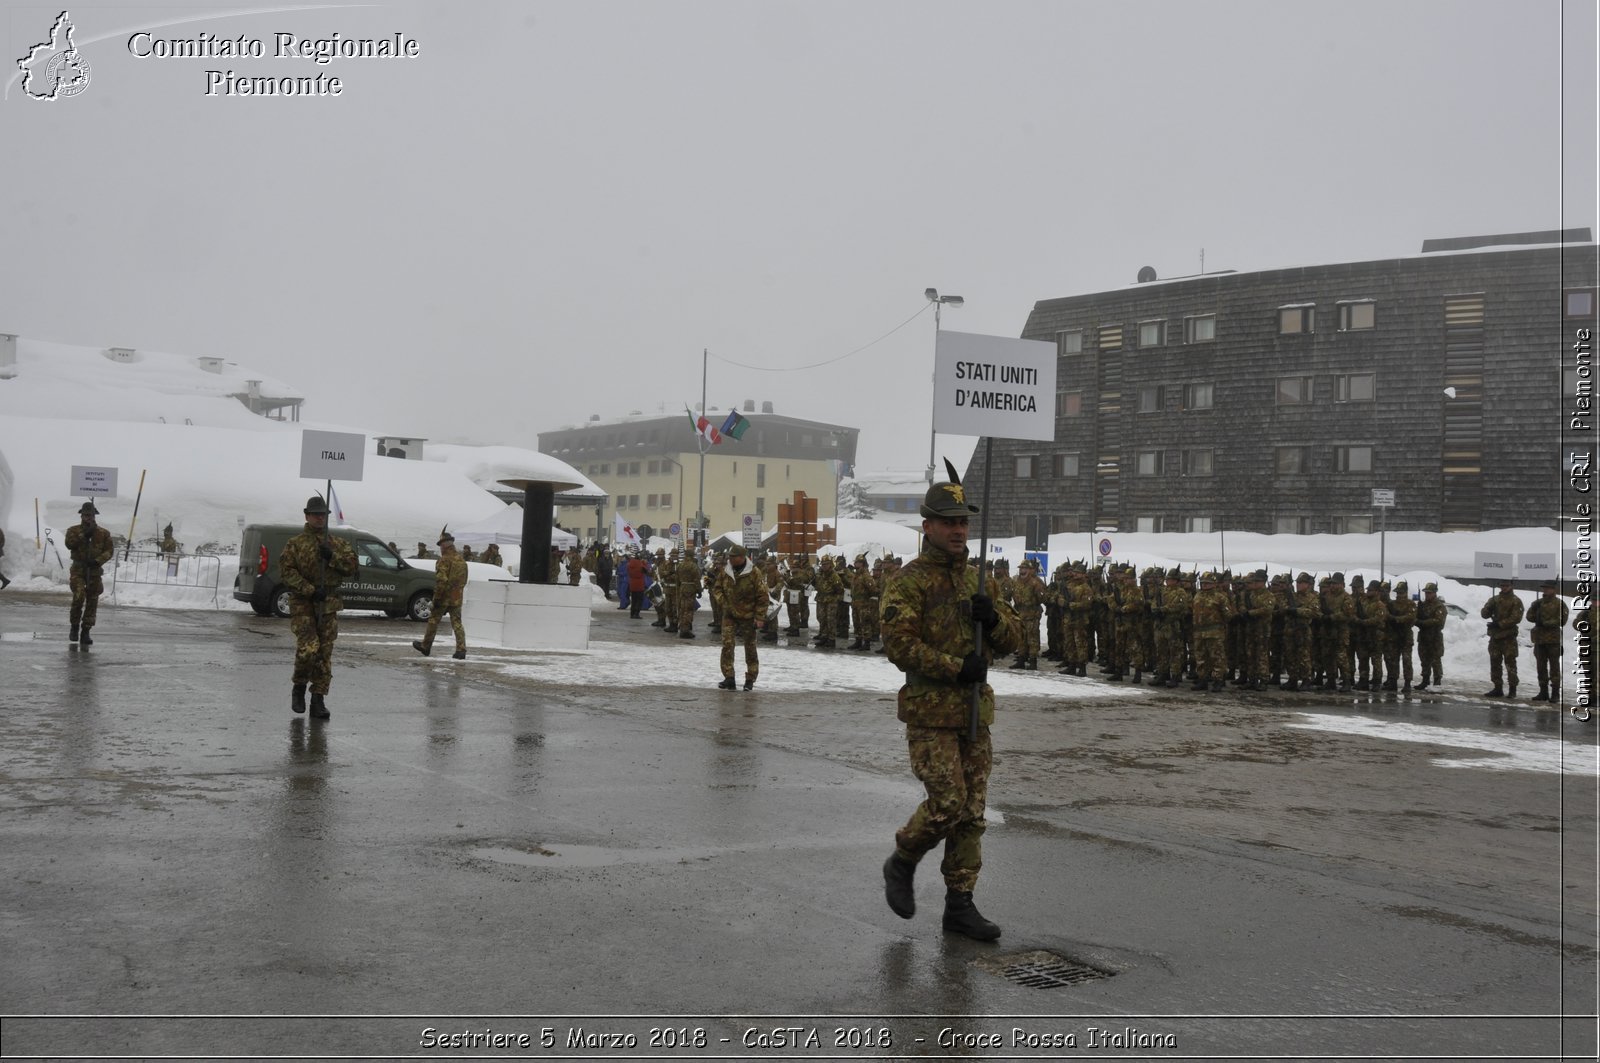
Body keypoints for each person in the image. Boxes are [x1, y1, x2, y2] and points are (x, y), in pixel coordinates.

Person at [879, 478, 1021, 942]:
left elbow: (1017, 640)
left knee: (973, 814)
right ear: (928, 526)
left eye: (963, 522)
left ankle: (960, 904)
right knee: (947, 804)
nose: (958, 530)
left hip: (974, 713)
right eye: (949, 522)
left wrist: (994, 620)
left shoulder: (982, 581)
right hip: (930, 710)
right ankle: (903, 859)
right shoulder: (909, 581)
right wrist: (957, 667)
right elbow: (899, 645)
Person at [280, 495, 358, 719]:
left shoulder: (337, 543)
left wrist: (332, 556)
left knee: (324, 653)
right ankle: (299, 687)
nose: (319, 518)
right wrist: (310, 589)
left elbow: (352, 566)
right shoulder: (295, 544)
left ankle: (318, 699)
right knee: (309, 648)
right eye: (315, 514)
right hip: (304, 603)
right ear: (307, 515)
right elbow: (287, 572)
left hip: (329, 604)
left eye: (323, 515)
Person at [715, 544, 767, 690]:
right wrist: (723, 603)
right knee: (727, 645)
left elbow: (763, 596)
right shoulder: (726, 571)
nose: (730, 559)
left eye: (733, 557)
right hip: (729, 614)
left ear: (742, 557)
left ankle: (750, 679)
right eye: (729, 557)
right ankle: (729, 677)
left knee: (750, 647)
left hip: (748, 616)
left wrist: (760, 617)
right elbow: (717, 588)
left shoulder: (754, 573)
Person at [413, 529, 468, 660]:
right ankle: (461, 650)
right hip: (456, 596)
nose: (440, 548)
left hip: (444, 597)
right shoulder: (461, 560)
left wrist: (436, 599)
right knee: (457, 623)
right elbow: (464, 580)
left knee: (433, 620)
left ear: (445, 545)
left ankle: (426, 646)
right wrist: (457, 592)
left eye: (441, 545)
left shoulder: (444, 560)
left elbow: (441, 581)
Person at [65, 501, 113, 644]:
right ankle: (74, 626)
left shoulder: (103, 533)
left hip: (94, 571)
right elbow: (69, 544)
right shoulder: (73, 530)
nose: (88, 518)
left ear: (94, 516)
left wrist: (98, 561)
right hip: (78, 570)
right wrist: (84, 535)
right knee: (79, 596)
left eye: (90, 515)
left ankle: (85, 631)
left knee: (92, 600)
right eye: (85, 515)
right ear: (81, 515)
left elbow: (109, 551)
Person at [1526, 580, 1569, 702]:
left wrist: (1546, 623)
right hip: (1540, 639)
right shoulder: (1538, 603)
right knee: (1541, 667)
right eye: (1544, 588)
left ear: (1553, 589)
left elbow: (1562, 620)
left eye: (1548, 588)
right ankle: (1543, 691)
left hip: (1553, 640)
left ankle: (1555, 693)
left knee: (1554, 667)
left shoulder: (1559, 604)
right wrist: (1535, 614)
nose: (1545, 590)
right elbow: (1529, 616)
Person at [1480, 577, 1524, 698]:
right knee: (1495, 663)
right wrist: (1488, 608)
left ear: (1511, 586)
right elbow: (1484, 614)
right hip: (1495, 637)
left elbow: (1516, 618)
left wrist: (1500, 624)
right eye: (1502, 586)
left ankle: (1512, 689)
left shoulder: (1516, 601)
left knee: (1510, 663)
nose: (1504, 588)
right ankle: (1497, 687)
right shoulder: (1495, 599)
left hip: (1508, 637)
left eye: (1506, 586)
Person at [1414, 582, 1447, 691]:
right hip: (1424, 636)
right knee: (1424, 659)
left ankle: (1437, 681)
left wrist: (1423, 622)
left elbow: (1438, 621)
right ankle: (1425, 680)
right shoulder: (1423, 605)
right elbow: (1416, 617)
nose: (1427, 595)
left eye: (1429, 593)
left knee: (1435, 660)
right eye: (1426, 593)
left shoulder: (1439, 606)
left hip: (1434, 637)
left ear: (1434, 593)